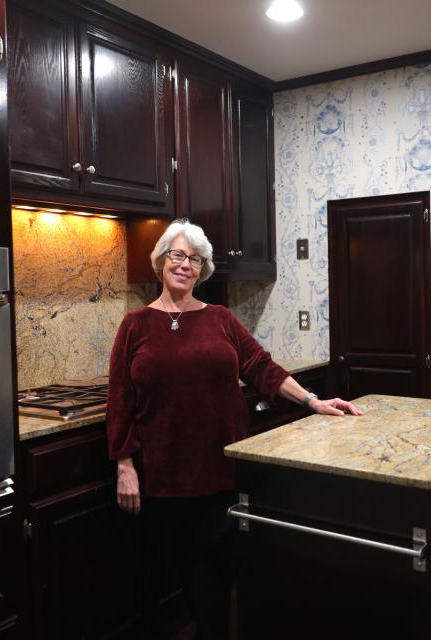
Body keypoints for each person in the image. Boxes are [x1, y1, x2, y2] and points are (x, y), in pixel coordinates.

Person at [106, 219, 361, 639]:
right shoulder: (134, 326)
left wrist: (314, 401)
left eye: (195, 258)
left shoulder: (220, 319)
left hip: (218, 472)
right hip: (160, 477)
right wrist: (124, 466)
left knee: (213, 578)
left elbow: (261, 366)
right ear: (161, 261)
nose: (185, 264)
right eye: (178, 255)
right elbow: (121, 400)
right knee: (171, 579)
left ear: (202, 269)